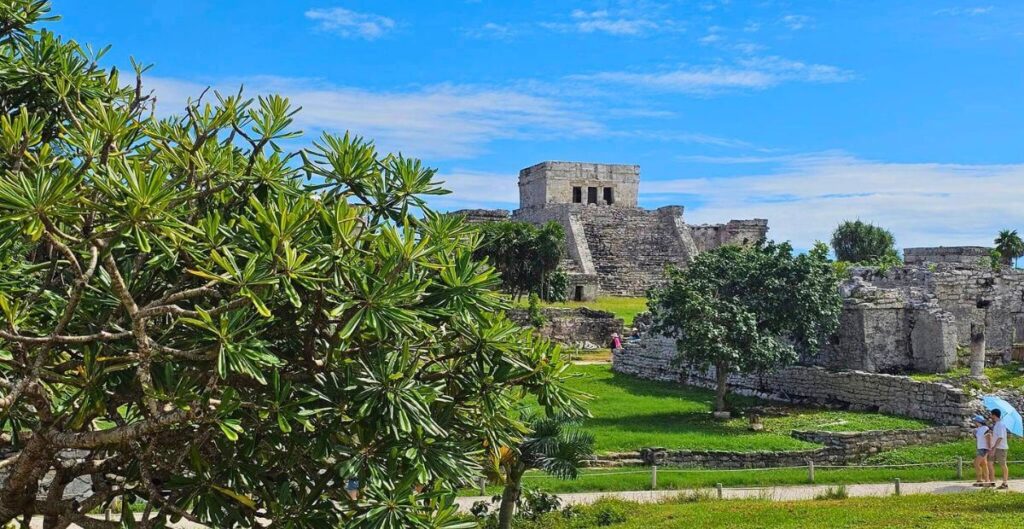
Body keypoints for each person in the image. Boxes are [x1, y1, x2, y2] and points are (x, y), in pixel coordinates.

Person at [989, 408, 1010, 489]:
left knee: (1003, 465)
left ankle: (1005, 483)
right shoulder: (997, 424)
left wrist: (994, 448)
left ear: (994, 415)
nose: (990, 416)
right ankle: (992, 481)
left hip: (1001, 448)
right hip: (994, 447)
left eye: (991, 415)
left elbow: (1000, 437)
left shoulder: (1001, 424)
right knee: (989, 463)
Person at [972, 415, 992, 486]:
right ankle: (987, 480)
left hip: (984, 449)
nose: (974, 422)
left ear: (978, 421)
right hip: (980, 448)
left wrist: (989, 448)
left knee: (976, 463)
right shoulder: (979, 429)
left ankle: (979, 480)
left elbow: (989, 437)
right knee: (984, 464)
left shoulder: (985, 428)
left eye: (975, 421)